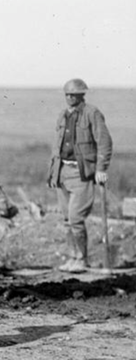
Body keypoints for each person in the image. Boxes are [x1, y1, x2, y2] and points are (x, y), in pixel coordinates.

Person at [47, 78, 113, 272]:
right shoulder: (63, 115)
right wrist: (53, 172)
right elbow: (57, 145)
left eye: (73, 95)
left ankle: (82, 259)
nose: (69, 98)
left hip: (80, 173)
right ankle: (72, 257)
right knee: (67, 219)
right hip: (62, 172)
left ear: (81, 95)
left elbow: (104, 142)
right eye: (67, 95)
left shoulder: (92, 113)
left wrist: (101, 169)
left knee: (75, 218)